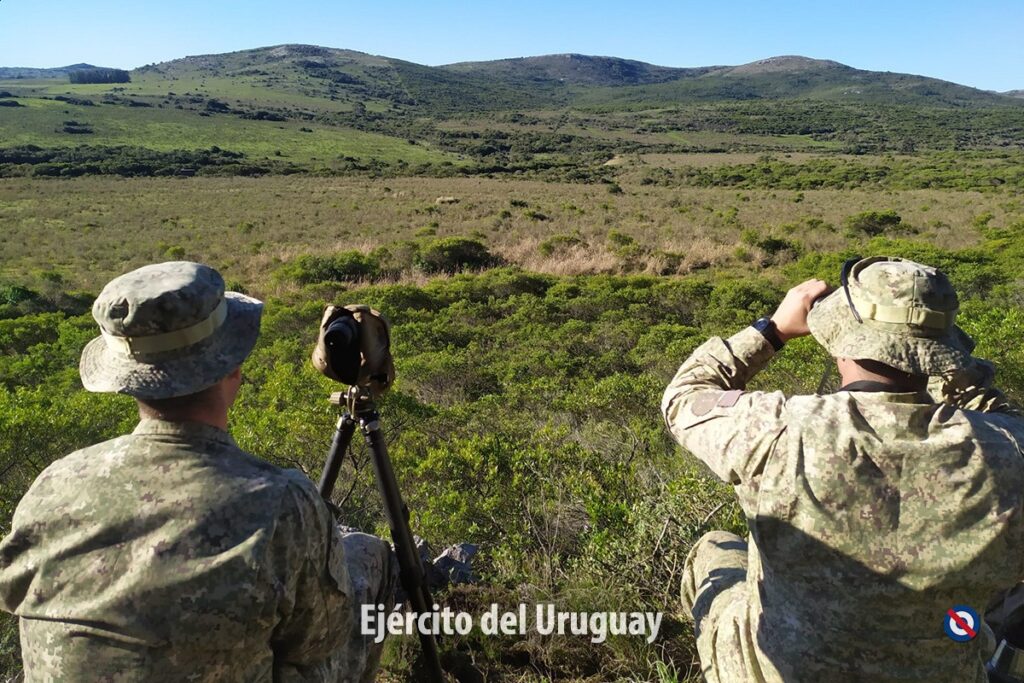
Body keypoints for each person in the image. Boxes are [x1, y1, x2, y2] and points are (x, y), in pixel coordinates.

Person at [0, 261, 395, 682]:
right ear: (232, 367)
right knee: (370, 556)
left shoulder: (53, 486)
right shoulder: (281, 502)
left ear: (127, 379)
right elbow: (320, 640)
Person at [661, 256, 1024, 682]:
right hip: (941, 672)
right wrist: (953, 370)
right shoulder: (1009, 450)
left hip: (778, 672)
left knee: (714, 551)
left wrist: (771, 331)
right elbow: (1003, 416)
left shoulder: (778, 430)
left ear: (843, 344)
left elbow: (684, 397)